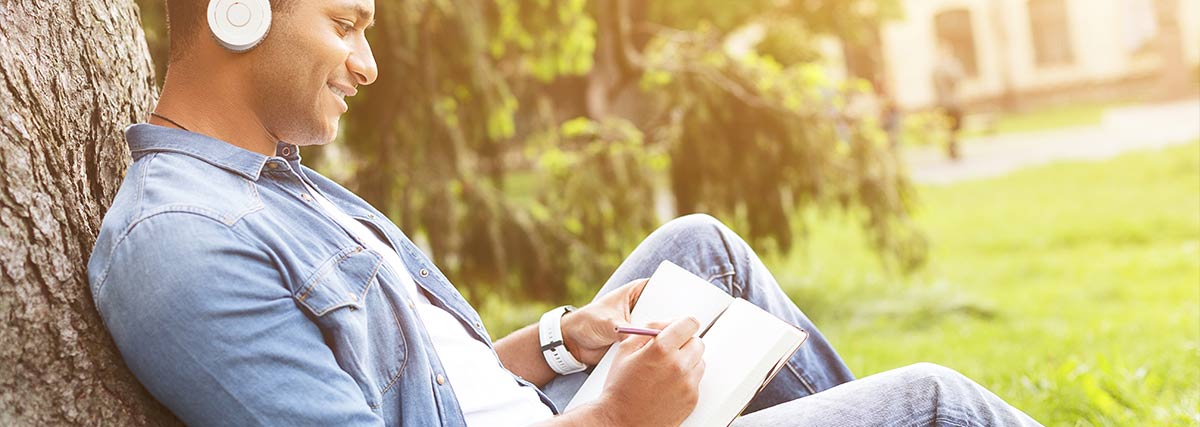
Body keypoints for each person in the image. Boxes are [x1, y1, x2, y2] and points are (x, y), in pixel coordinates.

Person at [86, 1, 1042, 425]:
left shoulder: (273, 181)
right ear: (239, 14)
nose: (368, 66)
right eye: (345, 26)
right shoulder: (182, 247)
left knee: (700, 250)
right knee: (935, 400)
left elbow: (418, 380)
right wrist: (621, 418)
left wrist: (555, 341)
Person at [932, 40, 966, 160]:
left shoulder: (953, 65)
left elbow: (958, 80)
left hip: (954, 102)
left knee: (956, 127)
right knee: (947, 128)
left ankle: (955, 147)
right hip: (943, 103)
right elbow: (934, 85)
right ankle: (951, 149)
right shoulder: (936, 68)